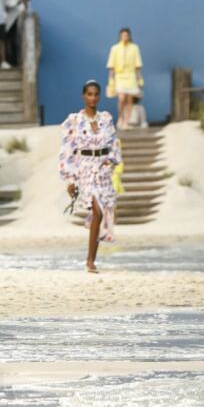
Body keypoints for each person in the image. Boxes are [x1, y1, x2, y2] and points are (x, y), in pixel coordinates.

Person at [59, 80, 121, 274]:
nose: (93, 98)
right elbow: (68, 149)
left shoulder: (106, 118)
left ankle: (91, 260)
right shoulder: (75, 120)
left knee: (99, 214)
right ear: (83, 96)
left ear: (99, 96)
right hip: (85, 168)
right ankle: (90, 261)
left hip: (102, 168)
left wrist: (111, 161)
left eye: (96, 94)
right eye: (89, 94)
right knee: (98, 212)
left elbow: (114, 143)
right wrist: (70, 178)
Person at [106, 28, 143, 130]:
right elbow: (111, 65)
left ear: (129, 36)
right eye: (123, 35)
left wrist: (139, 79)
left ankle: (127, 121)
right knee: (121, 98)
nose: (125, 37)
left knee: (129, 100)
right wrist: (111, 79)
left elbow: (137, 66)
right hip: (120, 76)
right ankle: (121, 117)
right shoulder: (115, 48)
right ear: (120, 36)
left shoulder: (134, 48)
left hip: (131, 76)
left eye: (127, 35)